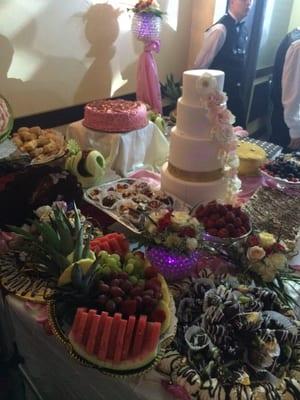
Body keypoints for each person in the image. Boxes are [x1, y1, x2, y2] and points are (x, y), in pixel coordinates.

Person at [194, 0, 252, 126]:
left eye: (250, 0)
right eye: (243, 0)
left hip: (236, 96)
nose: (248, 3)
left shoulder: (244, 30)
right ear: (231, 2)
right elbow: (199, 67)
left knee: (240, 136)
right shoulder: (220, 30)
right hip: (218, 101)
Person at [270, 28, 300, 150]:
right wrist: (296, 130)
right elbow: (291, 94)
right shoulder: (297, 46)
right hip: (289, 124)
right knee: (283, 162)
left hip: (289, 119)